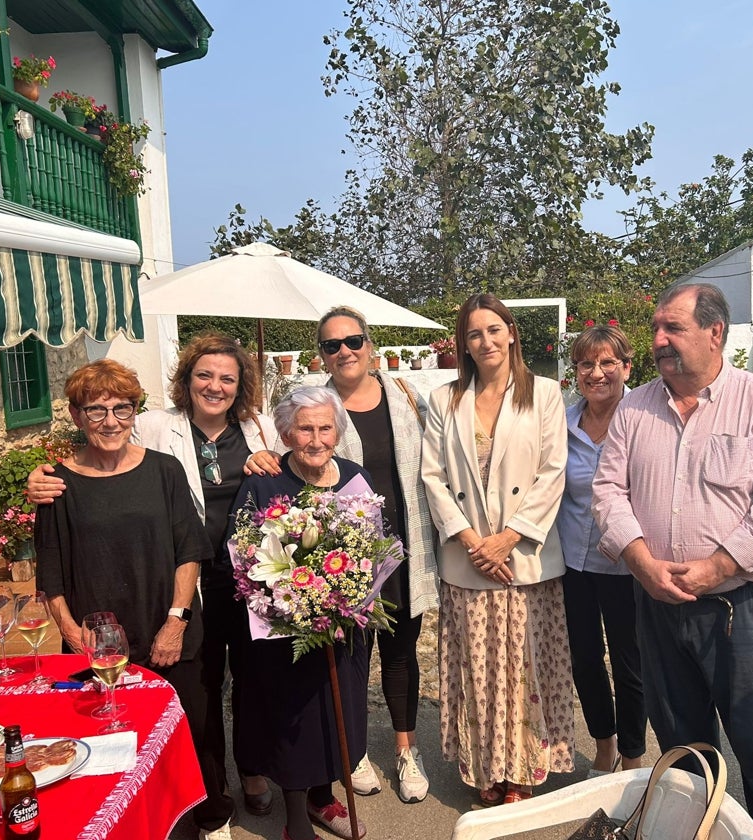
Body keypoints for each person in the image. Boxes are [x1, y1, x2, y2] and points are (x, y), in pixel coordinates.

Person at [28, 335, 278, 839]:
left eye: (122, 409)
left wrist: (175, 622)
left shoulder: (164, 469)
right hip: (96, 639)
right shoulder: (57, 483)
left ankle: (210, 812)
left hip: (168, 624)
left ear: (134, 412)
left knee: (193, 723)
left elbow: (189, 550)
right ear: (76, 417)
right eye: (95, 411)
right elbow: (50, 572)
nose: (110, 420)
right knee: (105, 731)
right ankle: (124, 819)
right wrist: (74, 634)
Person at [591, 283, 753, 840]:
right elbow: (609, 491)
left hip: (743, 610)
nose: (659, 340)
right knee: (684, 754)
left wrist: (718, 566)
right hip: (658, 606)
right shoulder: (636, 407)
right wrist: (641, 562)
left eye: (673, 329)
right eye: (658, 329)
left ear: (715, 333)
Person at [247, 306, 439, 803]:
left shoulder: (405, 396)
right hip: (339, 557)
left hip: (402, 550)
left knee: (401, 654)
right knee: (351, 656)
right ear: (322, 356)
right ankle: (350, 753)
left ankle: (404, 751)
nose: (345, 352)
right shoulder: (314, 405)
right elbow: (281, 450)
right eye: (332, 345)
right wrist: (258, 455)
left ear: (370, 345)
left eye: (353, 340)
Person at [420, 293, 574, 806]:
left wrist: (510, 537)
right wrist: (471, 541)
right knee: (479, 672)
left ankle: (525, 766)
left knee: (525, 668)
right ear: (463, 344)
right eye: (472, 333)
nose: (484, 341)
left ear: (511, 333)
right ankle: (486, 765)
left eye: (492, 330)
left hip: (525, 558)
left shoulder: (545, 393)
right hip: (468, 562)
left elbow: (554, 470)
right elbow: (433, 476)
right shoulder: (445, 399)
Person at [230, 387, 371, 840]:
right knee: (294, 718)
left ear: (337, 431)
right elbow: (242, 553)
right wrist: (291, 603)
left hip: (342, 626)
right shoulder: (264, 482)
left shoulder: (354, 478)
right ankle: (295, 816)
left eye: (324, 427)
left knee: (336, 711)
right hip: (283, 630)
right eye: (304, 428)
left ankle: (322, 797)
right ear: (287, 434)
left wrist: (345, 598)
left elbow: (375, 549)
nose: (315, 438)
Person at [556, 324, 647, 777]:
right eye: (586, 364)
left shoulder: (646, 420)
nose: (597, 373)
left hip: (628, 565)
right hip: (574, 563)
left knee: (632, 664)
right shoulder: (563, 424)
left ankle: (633, 754)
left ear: (626, 367)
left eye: (608, 362)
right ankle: (604, 744)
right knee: (585, 659)